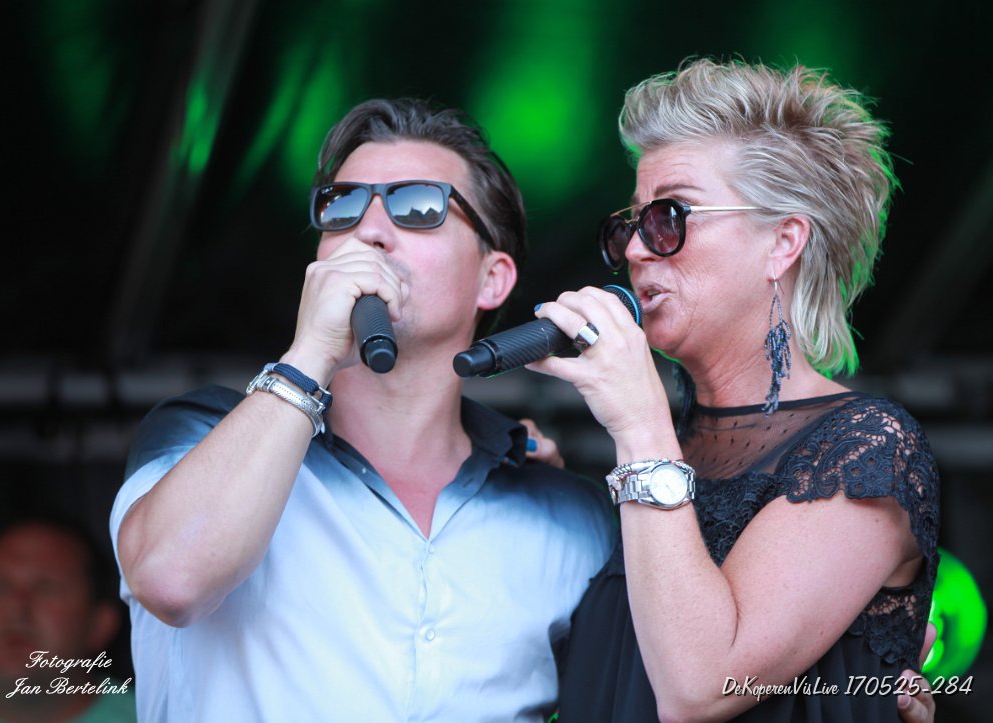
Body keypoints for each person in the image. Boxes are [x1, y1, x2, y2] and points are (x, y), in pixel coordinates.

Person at [110, 98, 615, 721]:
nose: (368, 230)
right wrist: (310, 354)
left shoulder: (569, 513)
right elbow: (170, 581)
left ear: (493, 279)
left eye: (419, 206)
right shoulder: (202, 432)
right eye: (342, 206)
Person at [527, 58, 940, 721]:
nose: (635, 250)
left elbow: (699, 684)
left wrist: (640, 425)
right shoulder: (662, 458)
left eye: (669, 216)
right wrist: (552, 502)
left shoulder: (866, 448)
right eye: (630, 224)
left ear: (783, 242)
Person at [0, 517, 136, 722]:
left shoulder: (155, 716)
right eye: (0, 588)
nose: (16, 609)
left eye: (46, 589)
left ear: (100, 625)